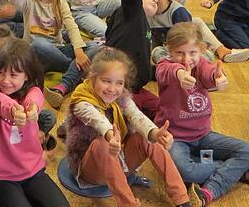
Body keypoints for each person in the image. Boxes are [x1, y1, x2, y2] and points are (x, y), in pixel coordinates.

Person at [65, 47, 197, 207]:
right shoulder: (81, 101)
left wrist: (156, 134)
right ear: (93, 78)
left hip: (119, 160)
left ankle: (182, 199)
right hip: (91, 169)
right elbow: (97, 120)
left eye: (119, 83)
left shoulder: (121, 96)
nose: (112, 89)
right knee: (102, 145)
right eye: (106, 81)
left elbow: (136, 116)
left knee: (146, 138)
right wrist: (110, 136)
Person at [156, 23, 249, 205]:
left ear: (201, 50)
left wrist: (217, 78)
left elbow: (208, 74)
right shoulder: (165, 65)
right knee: (186, 171)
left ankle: (209, 191)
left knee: (247, 151)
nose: (186, 59)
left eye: (192, 53)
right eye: (179, 53)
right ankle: (233, 171)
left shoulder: (202, 64)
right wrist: (181, 74)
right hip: (175, 138)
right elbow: (166, 72)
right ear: (169, 50)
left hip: (203, 135)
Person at [0, 38, 69, 207]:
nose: (5, 80)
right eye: (0, 72)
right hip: (1, 175)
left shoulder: (33, 91)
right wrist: (15, 110)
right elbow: (0, 102)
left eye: (13, 74)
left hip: (32, 170)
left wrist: (33, 109)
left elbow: (35, 97)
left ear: (27, 75)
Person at [9, 0, 98, 108]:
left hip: (57, 50)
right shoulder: (29, 1)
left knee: (92, 46)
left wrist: (78, 50)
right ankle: (75, 68)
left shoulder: (61, 2)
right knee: (38, 43)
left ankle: (62, 87)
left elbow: (71, 26)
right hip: (36, 55)